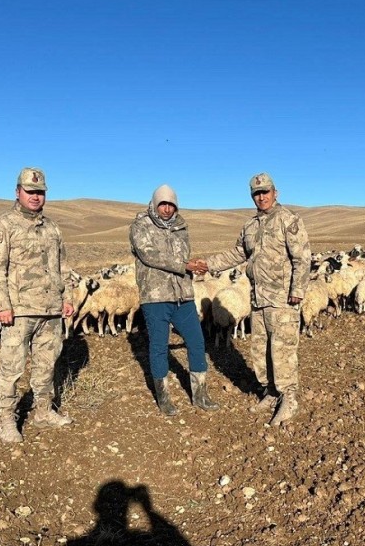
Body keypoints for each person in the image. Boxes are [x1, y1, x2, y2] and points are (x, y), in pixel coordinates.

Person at [191, 172, 311, 426]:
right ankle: (270, 391)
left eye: (265, 192)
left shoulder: (289, 220)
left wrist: (297, 289)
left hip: (283, 299)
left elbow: (302, 258)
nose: (262, 197)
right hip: (257, 298)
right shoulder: (250, 226)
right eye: (257, 193)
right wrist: (208, 264)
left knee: (283, 349)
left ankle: (289, 398)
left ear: (275, 193)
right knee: (261, 349)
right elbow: (237, 253)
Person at [0, 167, 76, 444]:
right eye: (30, 191)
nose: (35, 197)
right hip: (18, 310)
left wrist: (67, 297)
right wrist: (1, 306)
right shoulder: (2, 227)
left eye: (40, 192)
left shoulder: (52, 229)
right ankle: (6, 420)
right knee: (12, 368)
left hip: (50, 309)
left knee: (46, 365)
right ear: (18, 192)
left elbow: (62, 266)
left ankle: (43, 411)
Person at [130, 184, 219, 416]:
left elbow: (183, 256)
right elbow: (149, 255)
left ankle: (200, 393)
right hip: (156, 296)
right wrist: (184, 265)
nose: (167, 209)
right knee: (159, 347)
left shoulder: (181, 226)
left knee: (197, 341)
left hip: (183, 294)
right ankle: (164, 397)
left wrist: (193, 265)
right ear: (155, 203)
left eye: (171, 204)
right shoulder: (141, 225)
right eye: (163, 204)